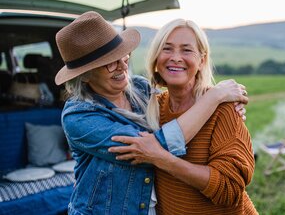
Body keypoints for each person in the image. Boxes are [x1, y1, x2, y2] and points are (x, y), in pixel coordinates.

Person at [54, 11, 249, 215]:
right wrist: (214, 97)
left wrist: (223, 103)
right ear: (85, 75)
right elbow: (152, 148)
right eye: (110, 62)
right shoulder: (79, 117)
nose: (122, 67)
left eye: (123, 56)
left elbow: (179, 96)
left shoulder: (141, 89)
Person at [110, 19, 258, 214]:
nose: (176, 58)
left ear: (202, 61)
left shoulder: (223, 108)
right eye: (167, 49)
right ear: (155, 58)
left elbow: (229, 189)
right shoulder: (152, 107)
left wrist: (162, 159)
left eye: (187, 50)